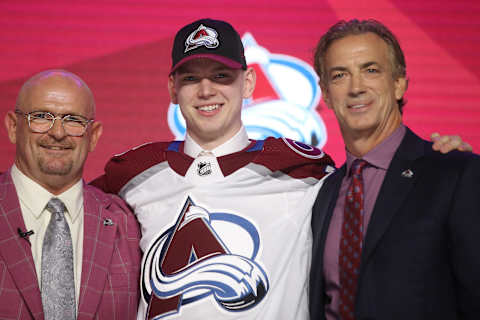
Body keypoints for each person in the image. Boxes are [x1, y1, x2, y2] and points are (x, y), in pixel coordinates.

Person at [92, 18, 469, 320]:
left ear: (249, 83)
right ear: (172, 88)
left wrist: (439, 158)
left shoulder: (304, 170)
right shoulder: (132, 171)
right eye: (191, 78)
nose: (206, 91)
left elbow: (387, 182)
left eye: (222, 76)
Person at [308, 19, 480, 320]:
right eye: (339, 75)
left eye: (370, 70)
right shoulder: (323, 193)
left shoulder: (456, 174)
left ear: (399, 83)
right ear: (325, 93)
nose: (356, 87)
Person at [1, 70, 141, 319]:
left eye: (73, 120)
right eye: (41, 116)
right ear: (13, 127)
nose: (57, 132)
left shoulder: (127, 224)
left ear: (94, 136)